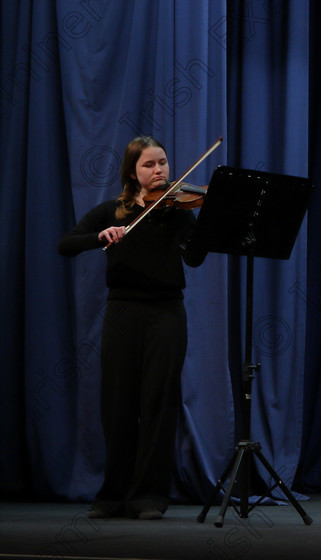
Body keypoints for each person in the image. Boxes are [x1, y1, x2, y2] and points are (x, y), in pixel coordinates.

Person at [58, 136, 206, 519]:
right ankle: (113, 493)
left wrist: (206, 226)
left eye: (163, 163)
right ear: (132, 172)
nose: (159, 171)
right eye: (149, 165)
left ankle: (150, 496)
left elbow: (195, 260)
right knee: (118, 404)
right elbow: (66, 244)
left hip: (166, 313)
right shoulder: (113, 211)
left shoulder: (180, 211)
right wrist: (99, 236)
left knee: (159, 403)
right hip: (122, 312)